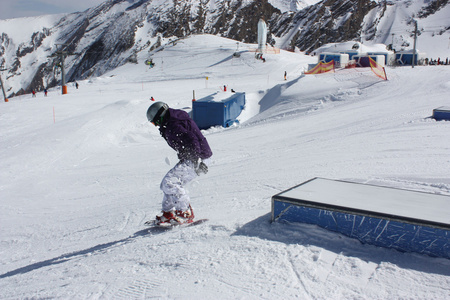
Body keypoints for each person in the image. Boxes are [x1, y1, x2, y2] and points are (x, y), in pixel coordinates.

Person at [146, 101, 212, 225]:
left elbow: (192, 138)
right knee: (168, 184)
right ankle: (168, 212)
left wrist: (197, 160)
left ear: (160, 116)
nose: (155, 125)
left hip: (197, 158)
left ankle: (185, 211)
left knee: (169, 182)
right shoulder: (170, 123)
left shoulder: (174, 124)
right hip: (192, 157)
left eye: (155, 122)